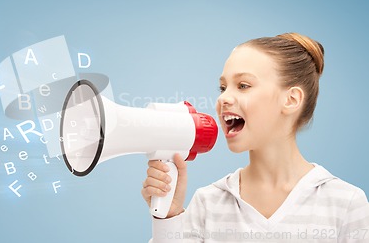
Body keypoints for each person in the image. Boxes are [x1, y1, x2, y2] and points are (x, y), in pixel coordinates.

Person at [142, 33, 369, 242]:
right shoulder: (208, 203)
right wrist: (169, 218)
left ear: (291, 99)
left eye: (243, 85)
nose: (224, 99)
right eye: (223, 88)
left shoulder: (345, 204)